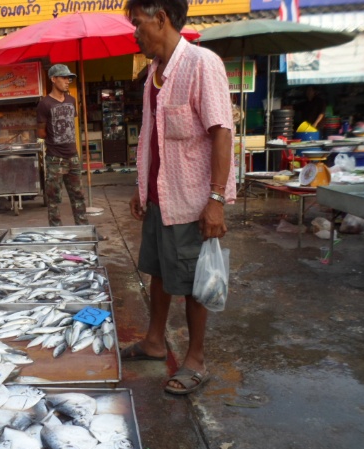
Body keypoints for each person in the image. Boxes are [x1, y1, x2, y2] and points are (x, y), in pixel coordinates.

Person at [121, 0, 235, 395]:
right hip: (158, 197)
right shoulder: (154, 72)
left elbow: (221, 131)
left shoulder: (202, 63)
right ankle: (155, 342)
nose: (134, 32)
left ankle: (196, 360)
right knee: (158, 270)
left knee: (192, 281)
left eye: (137, 24)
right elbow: (151, 139)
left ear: (161, 19)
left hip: (191, 199)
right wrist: (141, 188)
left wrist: (216, 198)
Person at [36, 64, 89, 227]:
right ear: (53, 79)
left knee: (78, 195)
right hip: (55, 159)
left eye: (69, 78)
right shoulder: (44, 104)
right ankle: (56, 232)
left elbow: (71, 124)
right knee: (54, 199)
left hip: (72, 156)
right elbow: (41, 132)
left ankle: (84, 229)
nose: (68, 81)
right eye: (64, 77)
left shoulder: (71, 100)